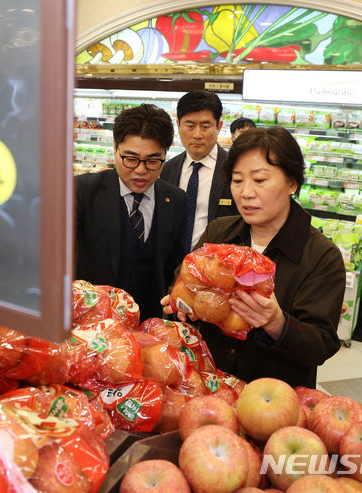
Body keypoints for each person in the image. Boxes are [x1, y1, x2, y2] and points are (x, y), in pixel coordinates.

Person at [161, 126, 346, 388]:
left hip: (274, 398)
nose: (246, 192)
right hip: (210, 386)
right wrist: (183, 304)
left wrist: (277, 323)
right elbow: (185, 282)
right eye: (237, 181)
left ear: (292, 182)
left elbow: (321, 344)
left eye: (259, 180)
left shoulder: (321, 256)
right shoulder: (219, 232)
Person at [76, 104, 187, 321]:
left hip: (149, 323)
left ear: (166, 152)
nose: (141, 170)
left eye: (153, 161)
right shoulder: (82, 191)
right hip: (92, 324)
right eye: (131, 158)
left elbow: (175, 267)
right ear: (115, 146)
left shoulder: (176, 199)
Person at [160, 91, 238, 254]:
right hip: (172, 266)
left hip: (217, 266)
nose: (197, 135)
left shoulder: (234, 169)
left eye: (205, 126)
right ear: (178, 125)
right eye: (189, 126)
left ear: (219, 127)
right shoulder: (167, 169)